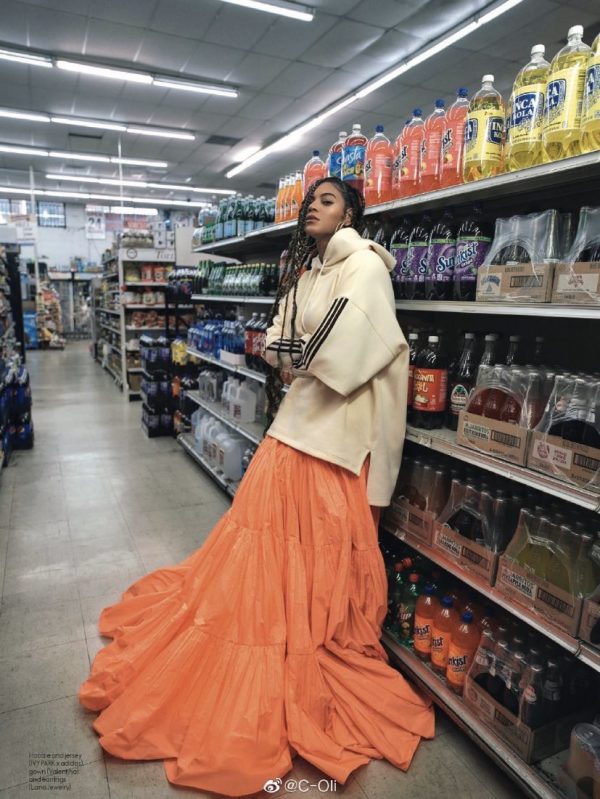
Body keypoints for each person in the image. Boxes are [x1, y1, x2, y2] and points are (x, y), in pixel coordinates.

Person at [78, 176, 434, 797]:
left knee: (311, 554)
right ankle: (287, 635)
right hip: (296, 429)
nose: (312, 207)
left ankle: (302, 641)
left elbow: (342, 355)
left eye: (327, 200)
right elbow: (276, 342)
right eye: (310, 200)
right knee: (270, 554)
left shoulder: (365, 268)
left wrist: (295, 353)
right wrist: (292, 352)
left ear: (351, 213)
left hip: (335, 441)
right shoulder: (311, 272)